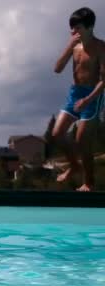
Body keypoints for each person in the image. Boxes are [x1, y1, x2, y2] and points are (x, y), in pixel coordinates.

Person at [52, 7, 105, 192]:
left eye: (77, 28)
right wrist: (69, 46)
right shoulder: (74, 47)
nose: (73, 32)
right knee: (57, 133)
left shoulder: (101, 48)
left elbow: (104, 81)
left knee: (82, 139)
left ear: (90, 27)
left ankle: (88, 182)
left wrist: (88, 100)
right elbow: (57, 69)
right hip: (75, 92)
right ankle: (74, 165)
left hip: (93, 94)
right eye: (71, 28)